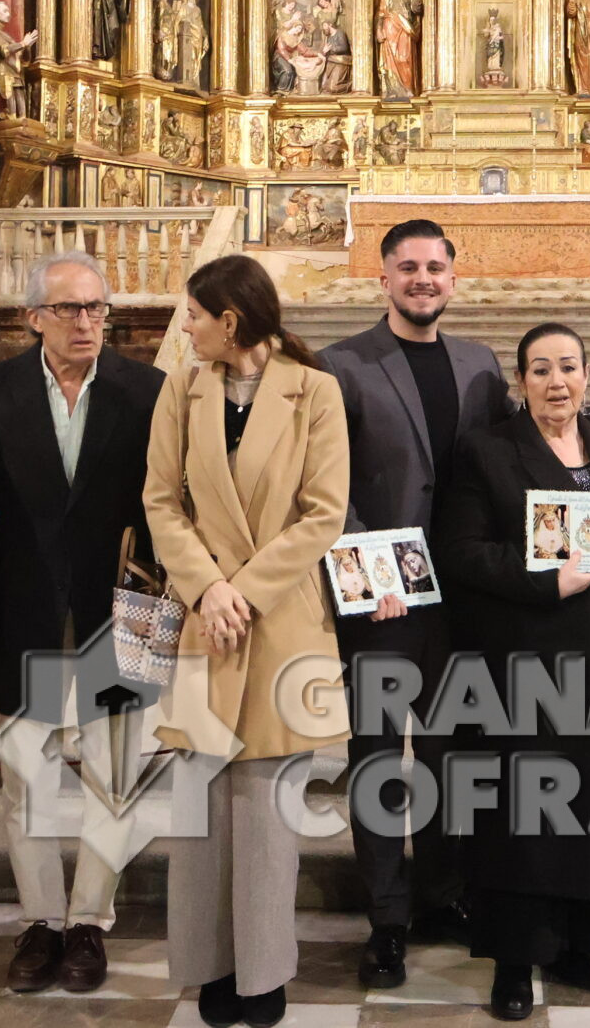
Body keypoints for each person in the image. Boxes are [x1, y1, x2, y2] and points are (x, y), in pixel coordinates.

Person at [319, 219, 590, 987]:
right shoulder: (342, 364)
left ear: (453, 278)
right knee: (379, 756)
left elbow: (525, 442)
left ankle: (442, 894)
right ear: (384, 276)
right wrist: (366, 575)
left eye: (435, 266)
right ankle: (387, 920)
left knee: (455, 755)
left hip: (467, 601)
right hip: (387, 598)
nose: (423, 278)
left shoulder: (478, 364)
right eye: (408, 267)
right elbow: (325, 481)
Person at [142, 253, 352, 1028]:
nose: (186, 326)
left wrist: (244, 589)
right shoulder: (182, 387)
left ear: (230, 320)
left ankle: (263, 973)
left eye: (194, 315)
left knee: (267, 812)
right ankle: (211, 964)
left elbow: (324, 512)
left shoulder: (315, 390)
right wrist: (208, 587)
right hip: (207, 617)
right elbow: (160, 500)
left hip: (277, 616)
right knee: (201, 807)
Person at [0, 254, 167, 994]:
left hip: (125, 609)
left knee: (113, 774)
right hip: (22, 609)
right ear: (34, 318)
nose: (85, 321)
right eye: (68, 308)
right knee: (28, 776)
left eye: (96, 307)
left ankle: (88, 923)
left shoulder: (148, 391)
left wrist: (161, 619)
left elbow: (164, 511)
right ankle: (42, 921)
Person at [436, 323, 590, 1023]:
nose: (557, 382)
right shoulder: (487, 450)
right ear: (520, 381)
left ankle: (576, 941)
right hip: (527, 657)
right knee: (524, 817)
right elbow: (461, 551)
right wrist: (545, 580)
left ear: (587, 374)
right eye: (540, 369)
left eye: (568, 367)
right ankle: (514, 959)